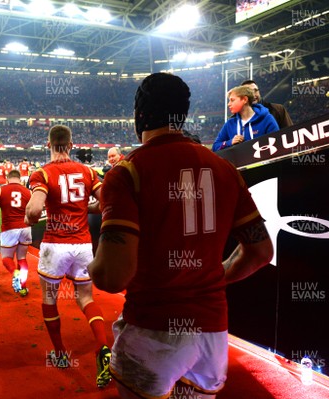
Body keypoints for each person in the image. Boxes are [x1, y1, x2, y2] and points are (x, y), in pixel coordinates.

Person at [88, 72, 274, 399]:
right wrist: (212, 276)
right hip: (211, 334)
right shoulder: (223, 169)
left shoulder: (128, 171)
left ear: (140, 115)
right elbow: (260, 251)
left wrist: (89, 267)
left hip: (151, 329)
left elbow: (112, 277)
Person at [25, 125, 112, 388]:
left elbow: (34, 209)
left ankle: (61, 354)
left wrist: (32, 214)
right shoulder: (87, 171)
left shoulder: (42, 173)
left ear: (48, 144)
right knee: (85, 298)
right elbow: (107, 201)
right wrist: (87, 207)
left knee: (50, 298)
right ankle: (103, 348)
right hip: (83, 243)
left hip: (55, 244)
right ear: (71, 145)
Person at [0, 169, 32, 296]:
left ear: (7, 178)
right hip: (26, 227)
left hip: (9, 228)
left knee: (6, 258)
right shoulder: (28, 192)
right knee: (22, 258)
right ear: (20, 179)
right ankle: (23, 287)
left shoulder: (0, 190)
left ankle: (15, 273)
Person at [212, 85, 279, 152]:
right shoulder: (230, 123)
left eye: (232, 100)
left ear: (245, 99)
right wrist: (230, 142)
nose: (228, 104)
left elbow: (277, 144)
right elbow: (215, 147)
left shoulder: (267, 119)